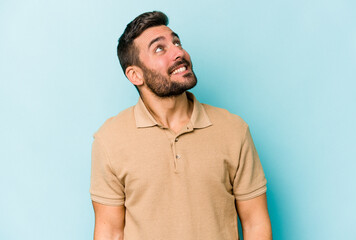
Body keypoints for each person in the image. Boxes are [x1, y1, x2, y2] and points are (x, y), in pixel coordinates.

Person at [90, 11, 272, 240]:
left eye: (177, 42)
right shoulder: (110, 140)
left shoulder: (233, 129)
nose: (179, 52)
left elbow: (255, 222)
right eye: (159, 48)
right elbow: (110, 232)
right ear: (135, 75)